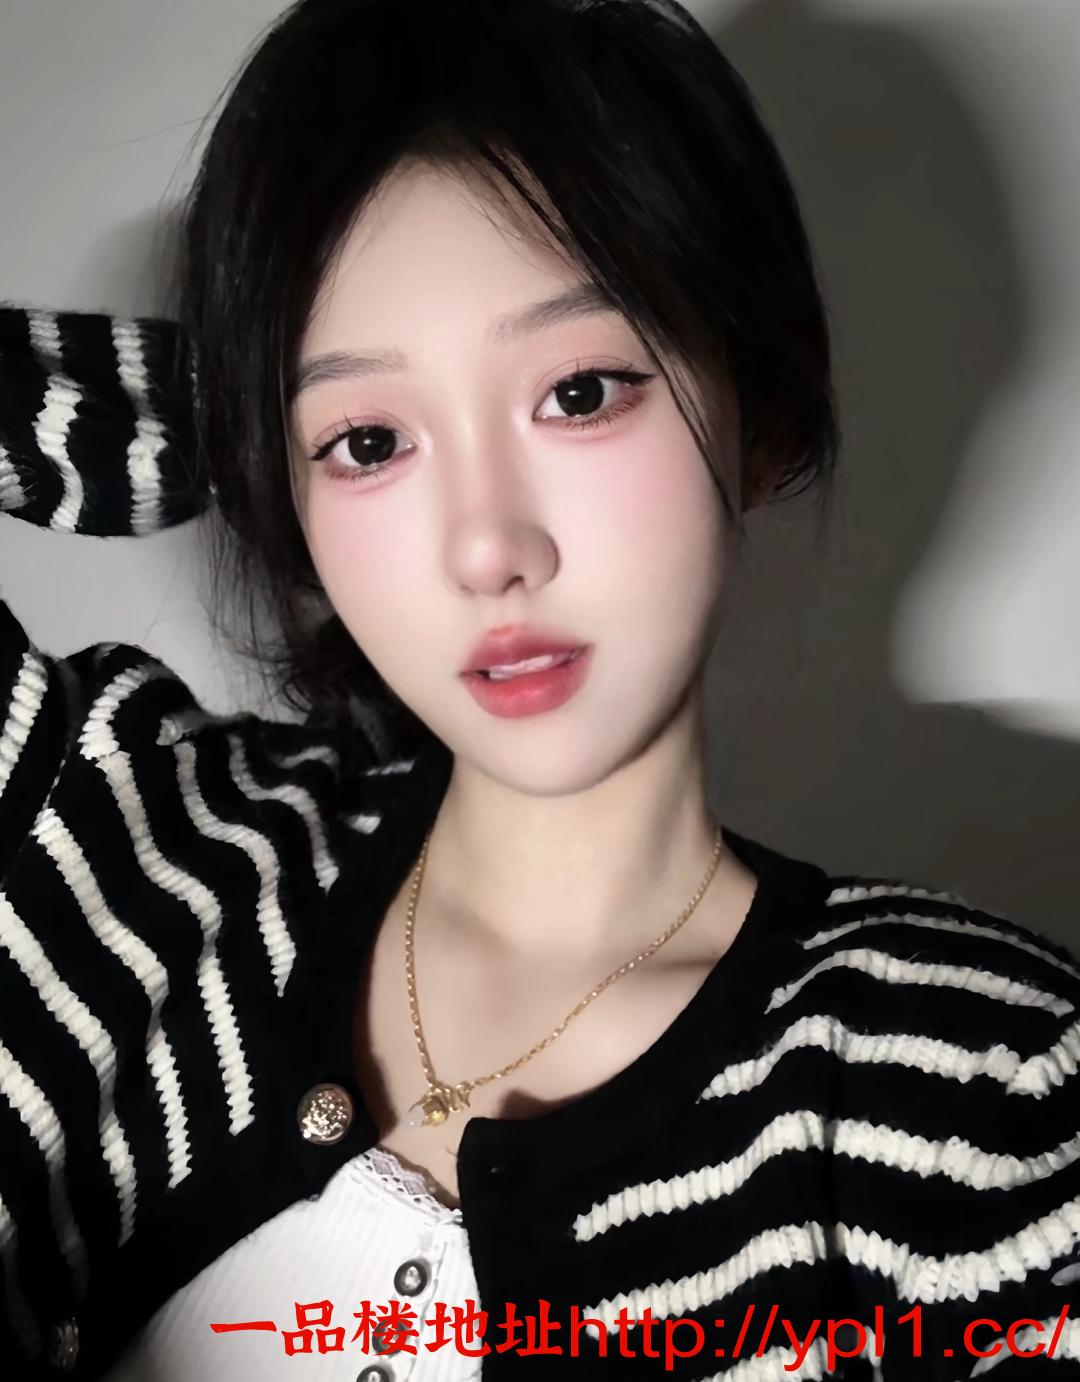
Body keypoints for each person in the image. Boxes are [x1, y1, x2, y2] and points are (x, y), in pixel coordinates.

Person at [1, 0, 1077, 1378]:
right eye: (367, 440)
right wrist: (210, 410)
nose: (487, 548)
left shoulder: (981, 1086)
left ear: (754, 407)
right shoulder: (120, 834)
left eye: (578, 393)